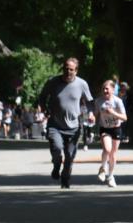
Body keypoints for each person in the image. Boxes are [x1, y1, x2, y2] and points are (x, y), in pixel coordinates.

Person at [37, 57, 93, 189]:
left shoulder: (82, 84)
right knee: (56, 148)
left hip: (74, 127)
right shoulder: (53, 82)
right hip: (55, 125)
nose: (68, 72)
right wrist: (44, 109)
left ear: (76, 71)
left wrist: (90, 113)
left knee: (69, 156)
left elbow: (89, 102)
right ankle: (56, 165)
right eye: (66, 69)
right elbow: (42, 97)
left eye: (71, 69)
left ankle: (65, 179)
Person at [94, 79, 127, 187]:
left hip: (116, 128)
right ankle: (103, 168)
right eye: (103, 89)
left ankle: (111, 176)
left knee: (113, 154)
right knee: (107, 149)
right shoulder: (99, 101)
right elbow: (95, 115)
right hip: (105, 128)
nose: (105, 91)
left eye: (107, 89)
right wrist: (92, 118)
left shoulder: (118, 101)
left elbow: (124, 117)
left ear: (113, 90)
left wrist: (113, 112)